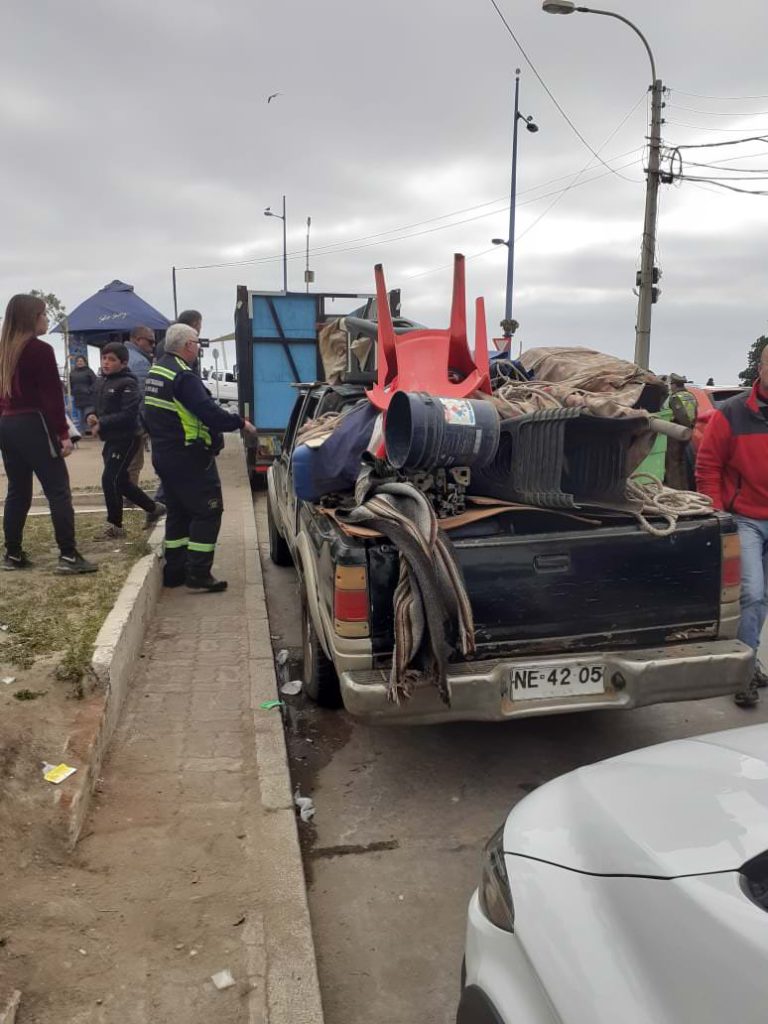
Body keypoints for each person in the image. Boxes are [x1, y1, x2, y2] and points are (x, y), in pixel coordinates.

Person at [143, 323, 257, 592]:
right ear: (187, 346)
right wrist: (240, 423)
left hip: (164, 454)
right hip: (189, 456)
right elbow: (207, 411)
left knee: (179, 513)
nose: (198, 347)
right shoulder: (183, 376)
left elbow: (144, 413)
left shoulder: (157, 372)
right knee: (208, 511)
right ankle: (198, 572)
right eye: (196, 343)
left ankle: (175, 572)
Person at [0, 294, 96, 573]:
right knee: (57, 489)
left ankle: (12, 553)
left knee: (18, 491)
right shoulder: (39, 350)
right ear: (32, 318)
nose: (46, 318)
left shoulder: (5, 351)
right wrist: (63, 433)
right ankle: (68, 555)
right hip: (34, 422)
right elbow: (52, 397)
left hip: (7, 423)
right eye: (43, 314)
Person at [696, 347, 768, 707]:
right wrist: (718, 514)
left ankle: (749, 659)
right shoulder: (733, 413)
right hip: (746, 519)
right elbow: (707, 465)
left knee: (763, 596)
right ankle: (743, 674)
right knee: (752, 593)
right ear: (761, 367)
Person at [85, 343, 166, 539]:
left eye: (112, 359)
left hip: (127, 438)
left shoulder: (128, 384)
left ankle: (115, 526)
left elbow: (129, 415)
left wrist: (102, 422)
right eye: (104, 358)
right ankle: (153, 508)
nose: (106, 362)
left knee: (109, 479)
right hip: (111, 439)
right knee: (120, 481)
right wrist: (91, 415)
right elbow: (92, 403)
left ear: (123, 363)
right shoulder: (100, 381)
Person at [124, 325, 155, 490]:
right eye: (150, 341)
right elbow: (142, 398)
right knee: (134, 463)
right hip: (134, 422)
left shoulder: (121, 355)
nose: (153, 346)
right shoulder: (140, 363)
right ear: (138, 340)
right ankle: (130, 498)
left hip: (118, 420)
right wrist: (145, 426)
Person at [664, 373, 698, 490]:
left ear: (674, 385)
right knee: (682, 461)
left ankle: (675, 490)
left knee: (672, 463)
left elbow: (681, 415)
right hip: (689, 433)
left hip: (676, 432)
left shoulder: (675, 398)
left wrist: (680, 429)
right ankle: (685, 489)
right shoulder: (690, 395)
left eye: (671, 384)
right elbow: (695, 413)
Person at [69, 355, 97, 432]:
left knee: (88, 415)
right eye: (78, 361)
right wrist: (72, 392)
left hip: (88, 398)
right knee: (80, 416)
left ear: (85, 362)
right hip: (78, 398)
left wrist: (89, 390)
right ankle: (82, 432)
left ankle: (90, 431)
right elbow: (70, 384)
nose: (79, 363)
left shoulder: (89, 371)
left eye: (81, 361)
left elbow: (95, 383)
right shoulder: (72, 373)